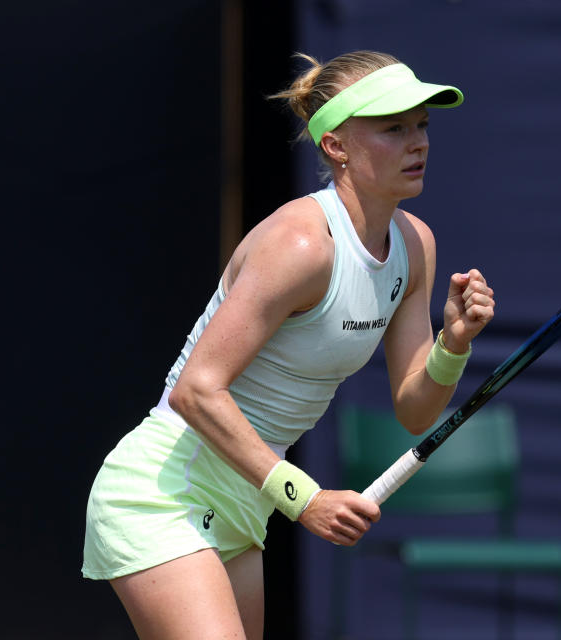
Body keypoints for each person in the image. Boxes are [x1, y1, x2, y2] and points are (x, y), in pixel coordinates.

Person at [82, 50, 496, 639]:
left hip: (244, 497)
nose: (419, 141)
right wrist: (305, 500)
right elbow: (196, 392)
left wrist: (452, 345)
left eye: (423, 124)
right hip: (164, 490)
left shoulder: (414, 244)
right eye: (393, 127)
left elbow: (414, 408)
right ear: (337, 146)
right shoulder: (302, 245)